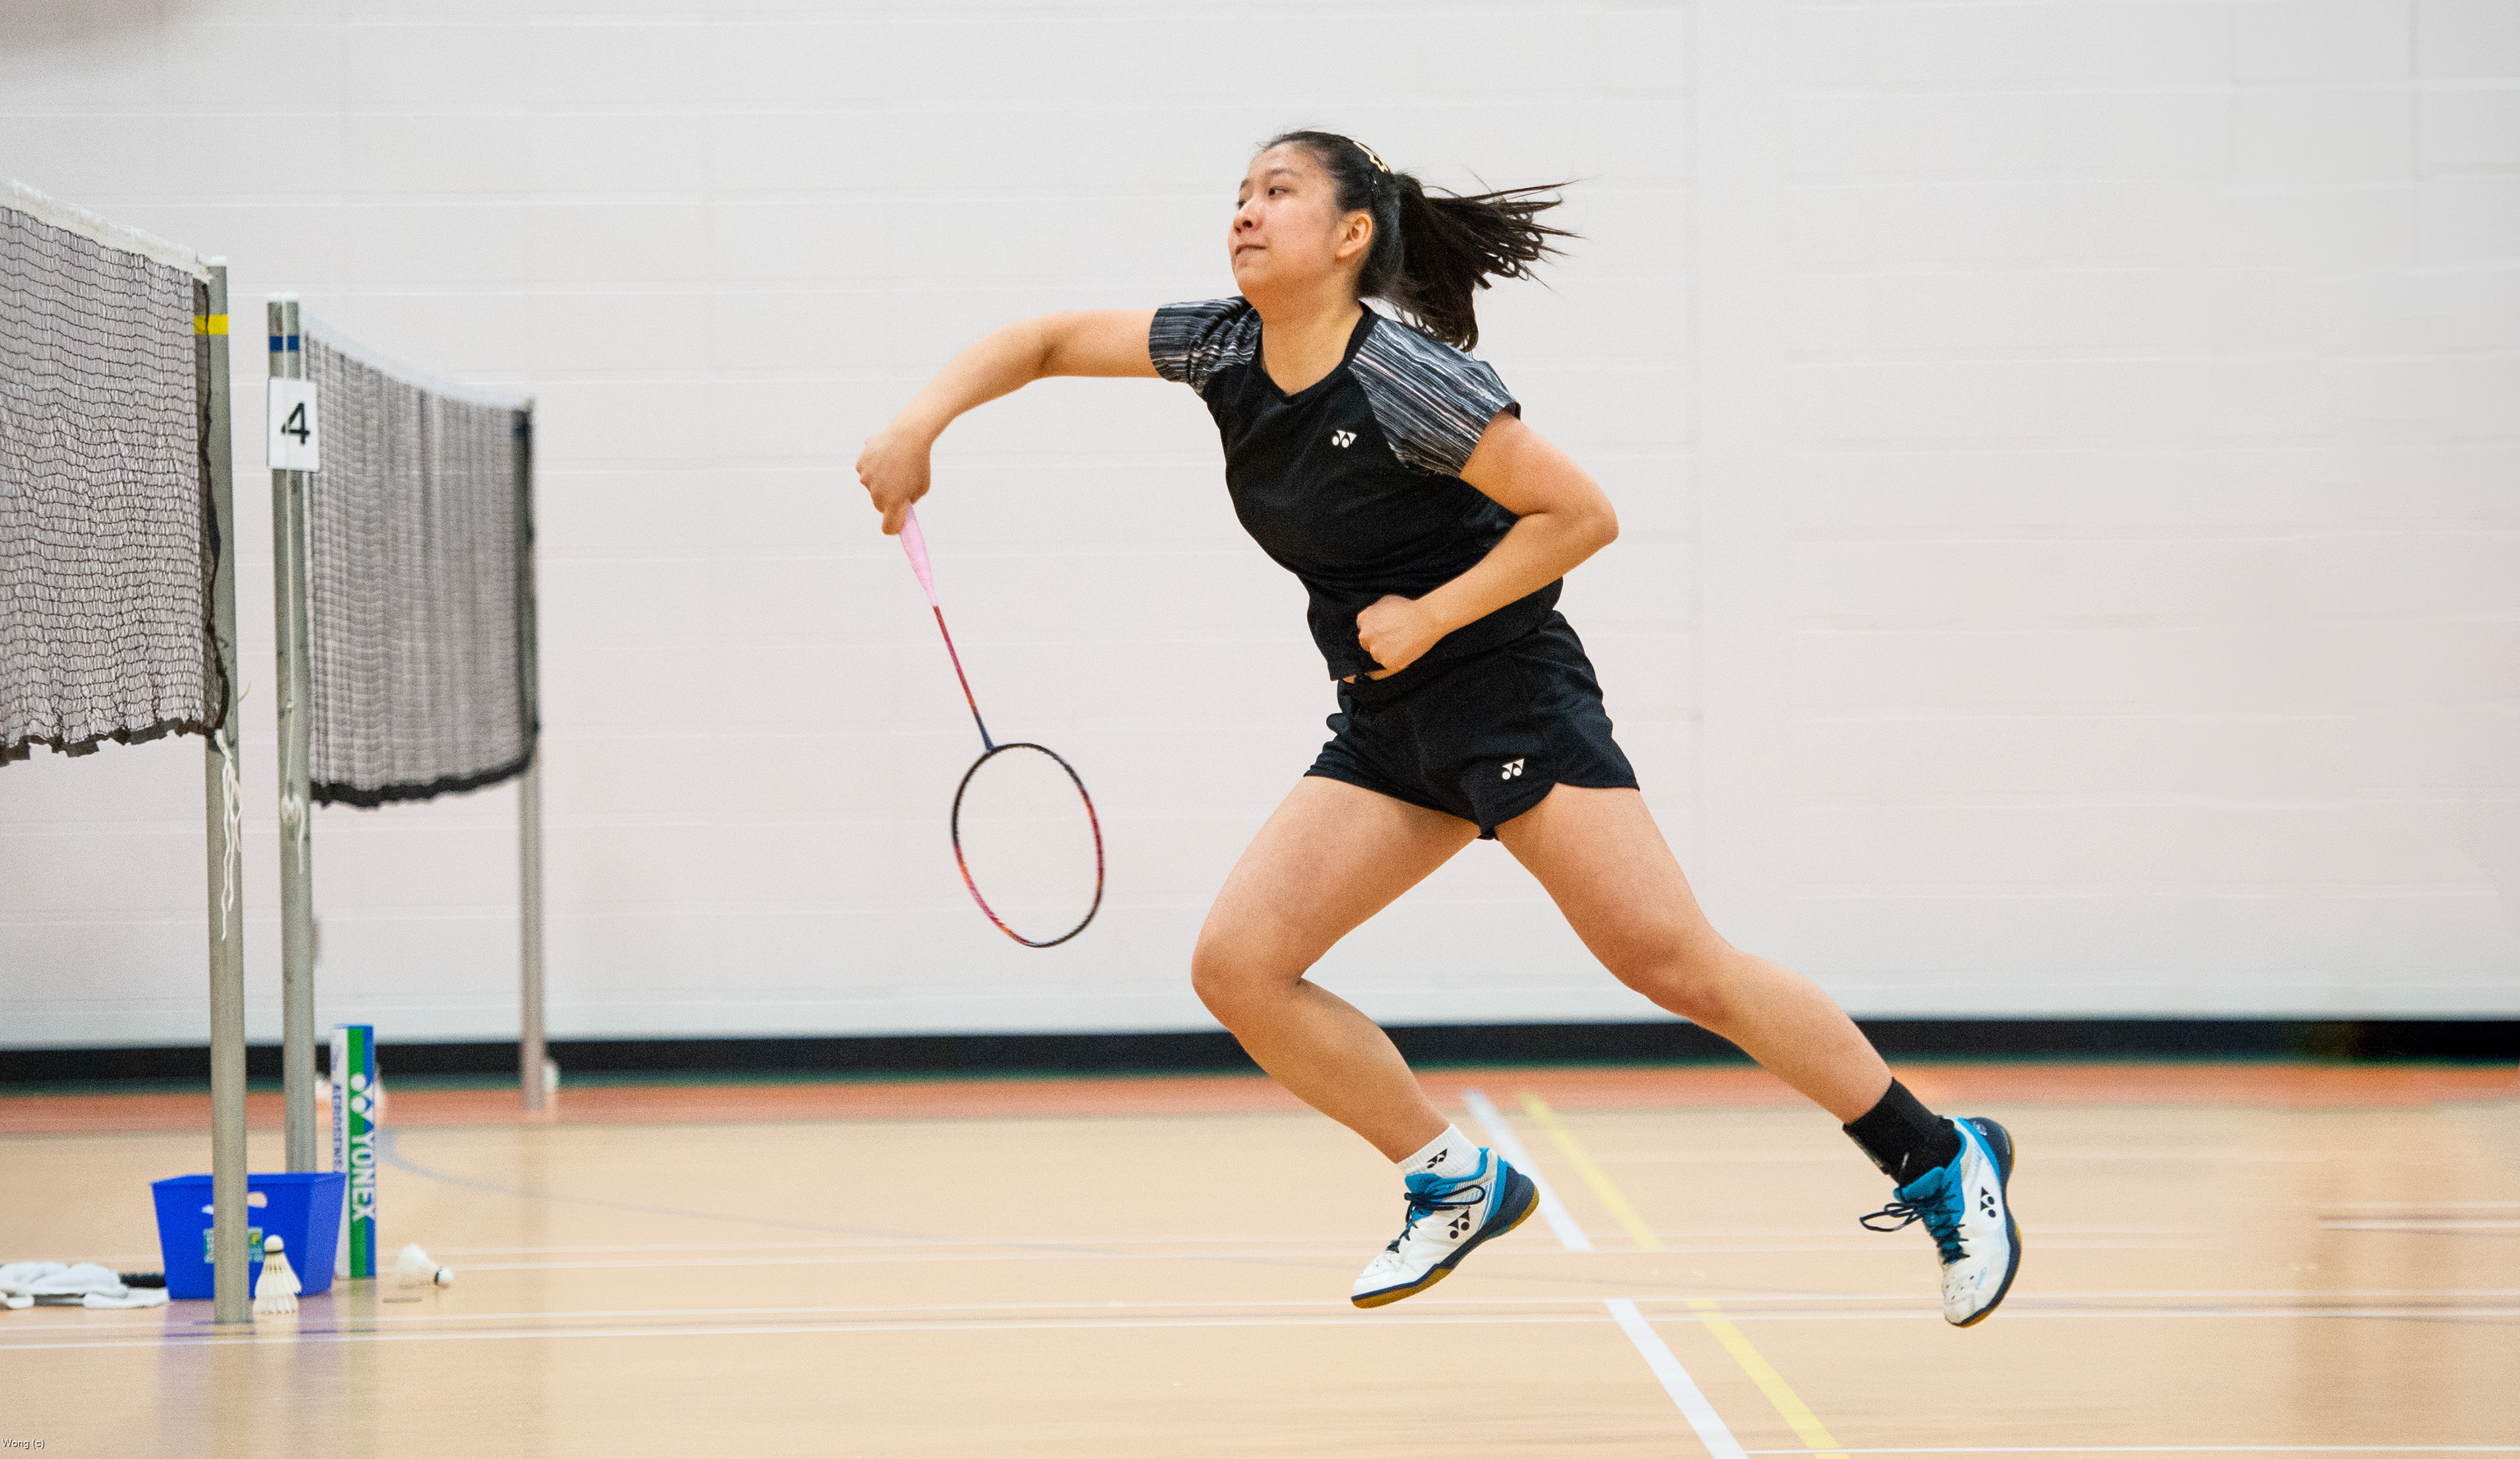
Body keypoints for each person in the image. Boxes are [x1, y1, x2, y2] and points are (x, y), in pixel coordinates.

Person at [856, 129, 2020, 1325]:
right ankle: (1453, 1178)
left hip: (1508, 694)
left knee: (1671, 964)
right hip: (1385, 722)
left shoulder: (1406, 377)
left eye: (1278, 193)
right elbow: (1045, 341)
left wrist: (1434, 614)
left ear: (1351, 235)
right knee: (1241, 969)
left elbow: (1581, 515)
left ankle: (1938, 1156)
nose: (1245, 212)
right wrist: (917, 426)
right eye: (1241, 194)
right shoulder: (1222, 347)